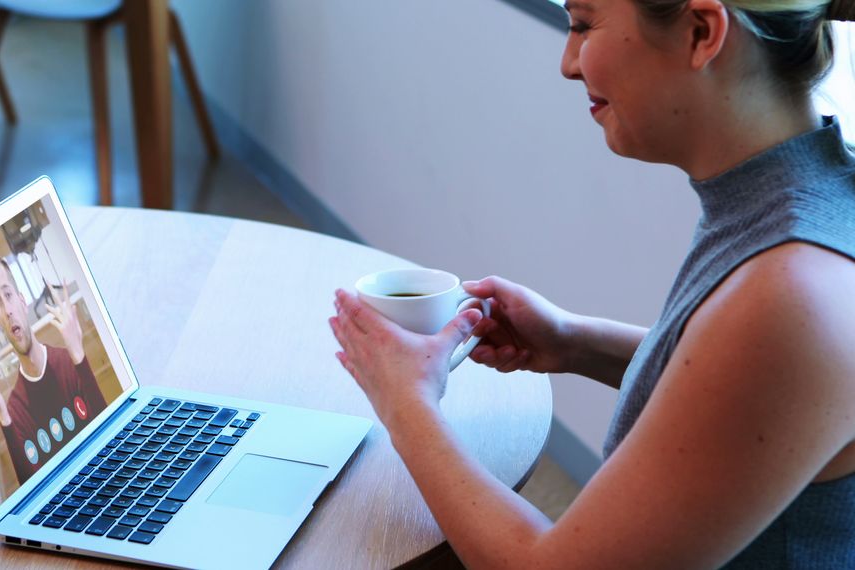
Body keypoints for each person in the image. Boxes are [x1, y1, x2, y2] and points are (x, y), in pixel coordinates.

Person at [330, 0, 855, 567]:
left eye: (582, 24)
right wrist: (577, 342)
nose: (568, 62)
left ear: (702, 32)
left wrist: (406, 402)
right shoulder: (799, 202)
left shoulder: (792, 292)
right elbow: (738, 391)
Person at [0, 244, 106, 484]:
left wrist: (80, 357)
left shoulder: (69, 362)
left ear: (22, 302)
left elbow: (110, 438)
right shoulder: (15, 411)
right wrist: (2, 415)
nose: (8, 310)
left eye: (8, 295)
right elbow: (30, 492)